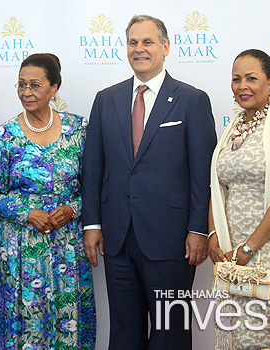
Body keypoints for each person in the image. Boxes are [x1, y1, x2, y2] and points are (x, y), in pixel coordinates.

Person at [82, 15, 217, 350]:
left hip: (172, 239)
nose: (139, 49)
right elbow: (93, 167)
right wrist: (92, 224)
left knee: (171, 332)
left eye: (147, 42)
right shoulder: (105, 99)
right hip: (116, 236)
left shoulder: (191, 99)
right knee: (124, 329)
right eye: (133, 42)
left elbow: (203, 173)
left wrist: (198, 229)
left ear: (165, 47)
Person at [0, 53, 96, 349]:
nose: (26, 92)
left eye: (35, 85)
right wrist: (27, 212)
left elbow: (96, 187)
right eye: (21, 85)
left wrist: (74, 209)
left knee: (68, 317)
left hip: (67, 245)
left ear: (54, 88)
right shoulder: (4, 135)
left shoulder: (79, 131)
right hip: (20, 246)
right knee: (21, 321)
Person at [208, 49, 270, 349]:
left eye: (252, 78)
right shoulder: (233, 127)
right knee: (238, 334)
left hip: (267, 247)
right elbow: (216, 188)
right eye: (236, 79)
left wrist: (251, 247)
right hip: (231, 251)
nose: (243, 86)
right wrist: (214, 235)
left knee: (265, 334)